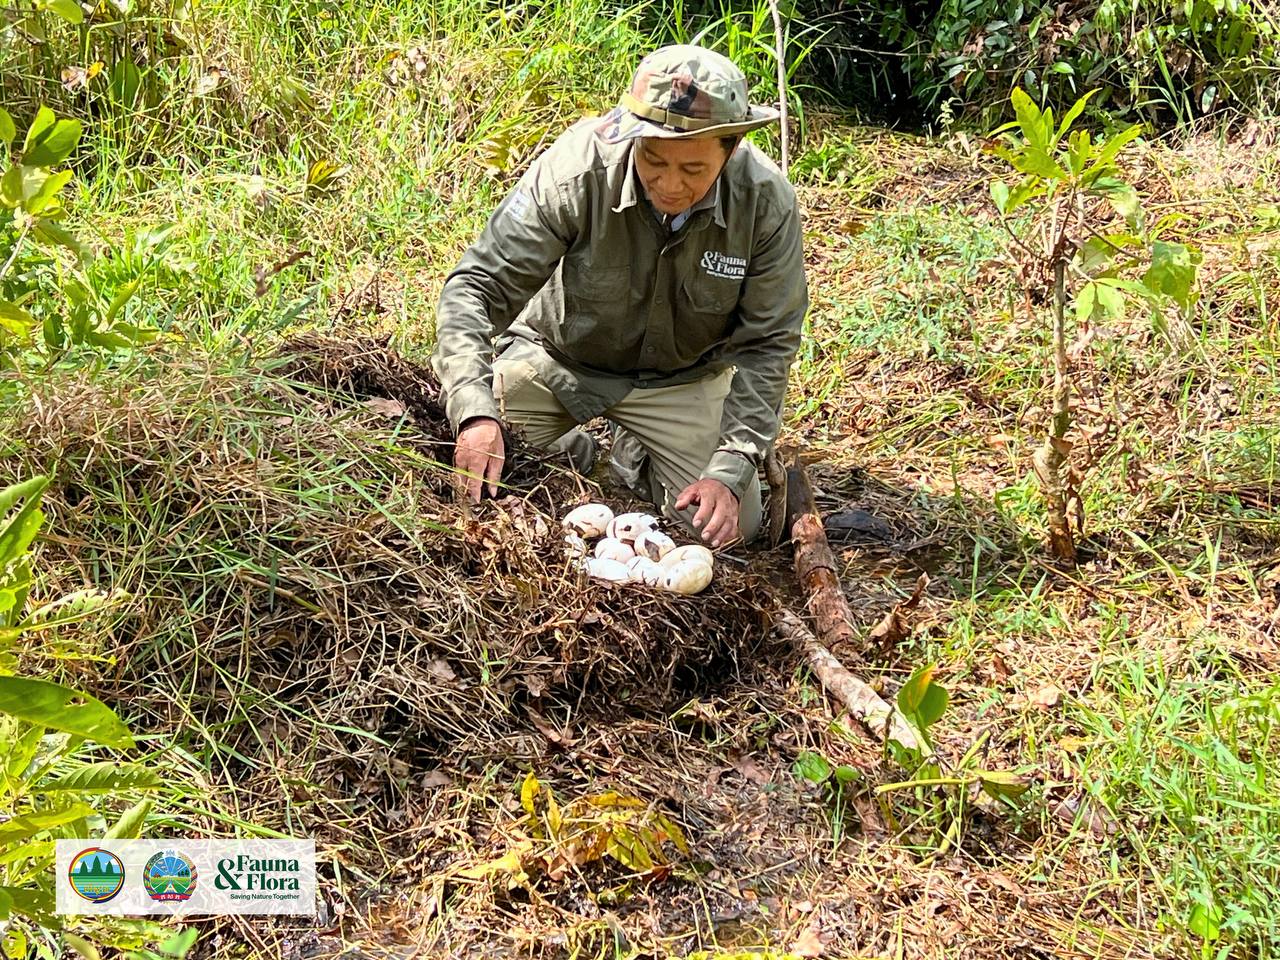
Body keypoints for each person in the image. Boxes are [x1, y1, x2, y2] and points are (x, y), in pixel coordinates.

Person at [432, 44, 808, 547]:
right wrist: (476, 412)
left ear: (732, 147)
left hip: (681, 379)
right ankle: (573, 448)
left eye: (693, 170)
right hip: (556, 362)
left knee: (725, 530)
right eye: (652, 160)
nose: (669, 184)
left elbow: (769, 343)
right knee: (468, 463)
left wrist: (733, 464)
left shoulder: (765, 202)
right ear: (632, 136)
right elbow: (475, 288)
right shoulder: (575, 172)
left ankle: (639, 453)